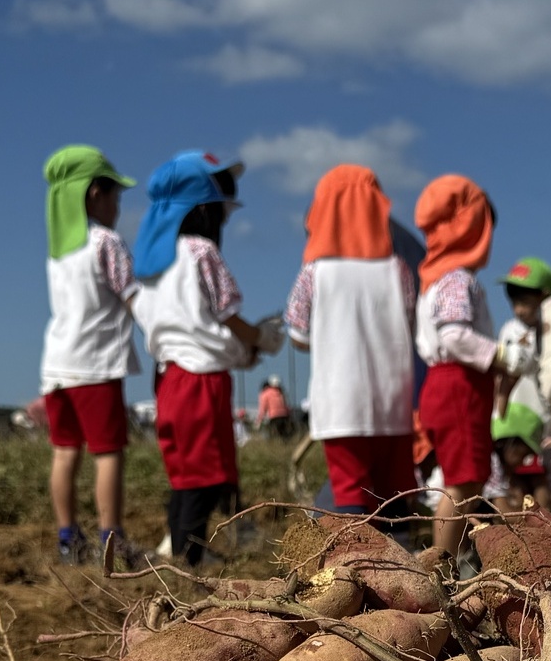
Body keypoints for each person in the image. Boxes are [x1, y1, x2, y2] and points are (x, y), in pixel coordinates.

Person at [132, 151, 278, 568]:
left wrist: (236, 351)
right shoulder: (201, 252)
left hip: (168, 377)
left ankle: (181, 548)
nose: (224, 223)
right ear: (203, 211)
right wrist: (259, 341)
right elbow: (227, 315)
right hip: (203, 379)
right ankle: (189, 556)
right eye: (221, 213)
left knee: (185, 471)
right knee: (207, 474)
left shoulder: (152, 263)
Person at [284, 164, 416, 517]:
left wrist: (331, 340)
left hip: (341, 401)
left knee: (350, 491)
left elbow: (297, 333)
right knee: (394, 493)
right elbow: (410, 324)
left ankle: (357, 565)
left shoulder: (314, 271)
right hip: (392, 399)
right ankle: (404, 562)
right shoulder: (398, 268)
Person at [40, 144, 139, 564]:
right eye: (116, 194)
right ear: (94, 193)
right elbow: (133, 295)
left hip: (56, 367)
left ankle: (68, 539)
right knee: (107, 453)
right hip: (94, 366)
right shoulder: (106, 242)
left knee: (65, 453)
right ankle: (110, 541)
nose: (118, 203)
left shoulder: (59, 252)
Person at [414, 175, 507, 555]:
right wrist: (502, 355)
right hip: (459, 386)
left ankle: (447, 564)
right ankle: (443, 569)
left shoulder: (434, 279)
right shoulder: (456, 279)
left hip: (448, 384)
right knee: (461, 483)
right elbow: (455, 335)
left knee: (463, 481)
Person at [495, 256, 551, 421]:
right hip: (517, 415)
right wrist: (499, 415)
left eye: (525, 303)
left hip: (549, 416)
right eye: (514, 303)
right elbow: (505, 379)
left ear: (545, 296)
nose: (518, 310)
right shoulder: (510, 330)